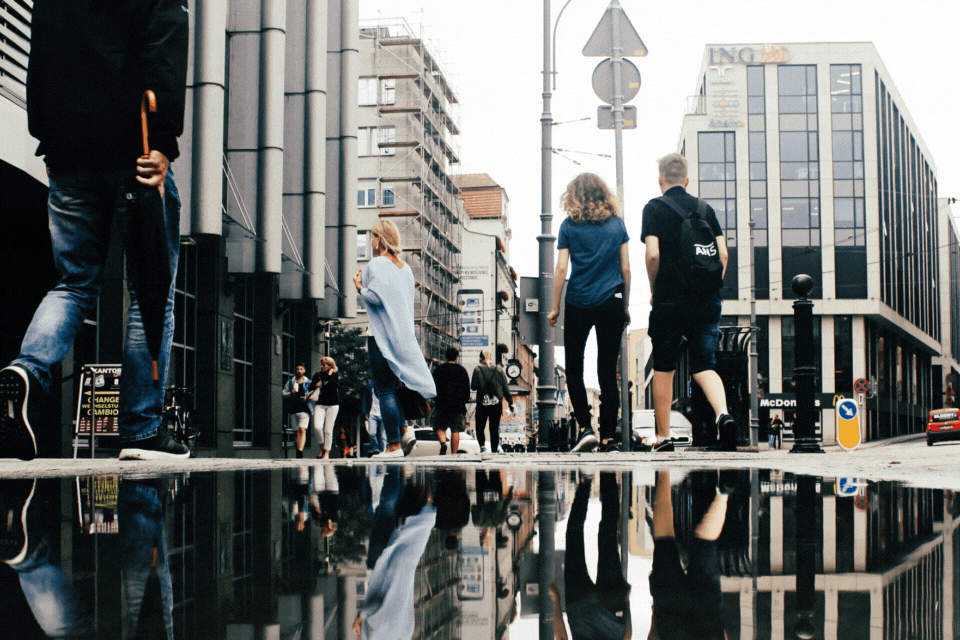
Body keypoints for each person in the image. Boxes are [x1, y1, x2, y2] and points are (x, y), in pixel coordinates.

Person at [0, 0, 190, 461]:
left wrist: (46, 134)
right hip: (135, 150)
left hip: (68, 154)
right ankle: (142, 431)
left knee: (72, 284)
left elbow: (38, 61)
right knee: (150, 291)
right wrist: (163, 141)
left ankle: (26, 372)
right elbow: (165, 45)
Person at [641, 153, 733, 452]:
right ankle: (723, 414)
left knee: (665, 365)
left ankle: (665, 438)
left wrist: (654, 290)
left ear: (660, 180)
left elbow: (652, 254)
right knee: (704, 363)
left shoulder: (654, 208)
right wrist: (711, 286)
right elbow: (723, 256)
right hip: (706, 301)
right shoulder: (705, 209)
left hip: (669, 299)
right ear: (687, 180)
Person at [547, 173, 630, 454]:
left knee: (574, 368)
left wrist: (555, 306)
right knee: (608, 371)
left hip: (579, 301)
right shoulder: (617, 225)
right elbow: (626, 269)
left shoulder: (568, 226)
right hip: (612, 301)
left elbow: (560, 269)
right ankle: (609, 438)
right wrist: (626, 305)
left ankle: (585, 428)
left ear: (573, 197)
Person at [353, 220, 436, 458]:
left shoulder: (377, 264)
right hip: (402, 337)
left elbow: (377, 298)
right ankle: (403, 430)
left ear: (379, 238)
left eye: (372, 236)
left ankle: (392, 445)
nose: (371, 241)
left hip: (381, 337)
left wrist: (360, 288)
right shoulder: (406, 269)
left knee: (385, 391)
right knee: (393, 390)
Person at [648, 470, 729, 640]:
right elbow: (654, 636)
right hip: (671, 618)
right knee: (664, 541)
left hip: (707, 618)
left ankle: (723, 495)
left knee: (705, 543)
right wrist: (655, 615)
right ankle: (664, 468)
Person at [550, 472, 632, 640]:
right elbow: (561, 637)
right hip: (580, 609)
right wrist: (556, 600)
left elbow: (627, 636)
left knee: (607, 534)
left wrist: (626, 601)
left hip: (611, 610)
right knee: (574, 535)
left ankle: (608, 470)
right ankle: (586, 481)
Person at [471, 349, 513, 453]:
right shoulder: (499, 370)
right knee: (494, 428)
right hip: (496, 404)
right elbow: (506, 389)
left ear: (481, 358)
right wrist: (510, 402)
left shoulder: (477, 369)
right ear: (490, 358)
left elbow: (473, 387)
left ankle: (482, 447)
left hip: (482, 403)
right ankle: (494, 449)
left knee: (480, 426)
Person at [432, 347, 471, 454]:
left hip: (442, 404)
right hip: (457, 406)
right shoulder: (462, 370)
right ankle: (454, 453)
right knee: (455, 430)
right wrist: (464, 400)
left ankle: (443, 443)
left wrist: (436, 399)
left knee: (439, 427)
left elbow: (433, 387)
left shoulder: (438, 370)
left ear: (446, 356)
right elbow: (467, 389)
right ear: (456, 357)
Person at [309, 357, 340, 459]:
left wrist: (330, 375)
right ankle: (321, 446)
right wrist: (316, 385)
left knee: (328, 430)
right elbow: (310, 387)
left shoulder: (335, 375)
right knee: (317, 426)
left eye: (324, 365)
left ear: (330, 366)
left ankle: (326, 452)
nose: (321, 366)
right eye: (321, 364)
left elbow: (335, 386)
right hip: (320, 404)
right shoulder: (317, 374)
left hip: (333, 405)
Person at [283, 363, 313, 458]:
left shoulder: (309, 382)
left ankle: (300, 451)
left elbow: (315, 394)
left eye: (301, 369)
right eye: (297, 369)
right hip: (293, 409)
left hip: (304, 409)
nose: (299, 371)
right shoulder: (291, 382)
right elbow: (283, 393)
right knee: (296, 432)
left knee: (302, 430)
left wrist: (307, 397)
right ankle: (298, 451)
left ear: (304, 371)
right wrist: (290, 393)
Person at [361, 380, 387, 456]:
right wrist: (365, 412)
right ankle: (376, 449)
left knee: (383, 435)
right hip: (372, 414)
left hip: (383, 414)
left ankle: (383, 451)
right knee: (372, 432)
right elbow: (365, 399)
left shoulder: (384, 385)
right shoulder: (370, 386)